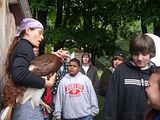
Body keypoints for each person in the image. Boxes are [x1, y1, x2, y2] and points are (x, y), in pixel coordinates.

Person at [4, 18, 56, 120]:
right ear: (27, 31)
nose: (42, 37)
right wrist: (46, 83)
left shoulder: (21, 46)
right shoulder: (25, 47)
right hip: (27, 107)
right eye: (40, 33)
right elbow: (19, 74)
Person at [104, 34, 156, 120]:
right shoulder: (120, 71)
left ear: (151, 53)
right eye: (136, 54)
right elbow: (111, 101)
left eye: (144, 54)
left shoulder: (155, 74)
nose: (139, 58)